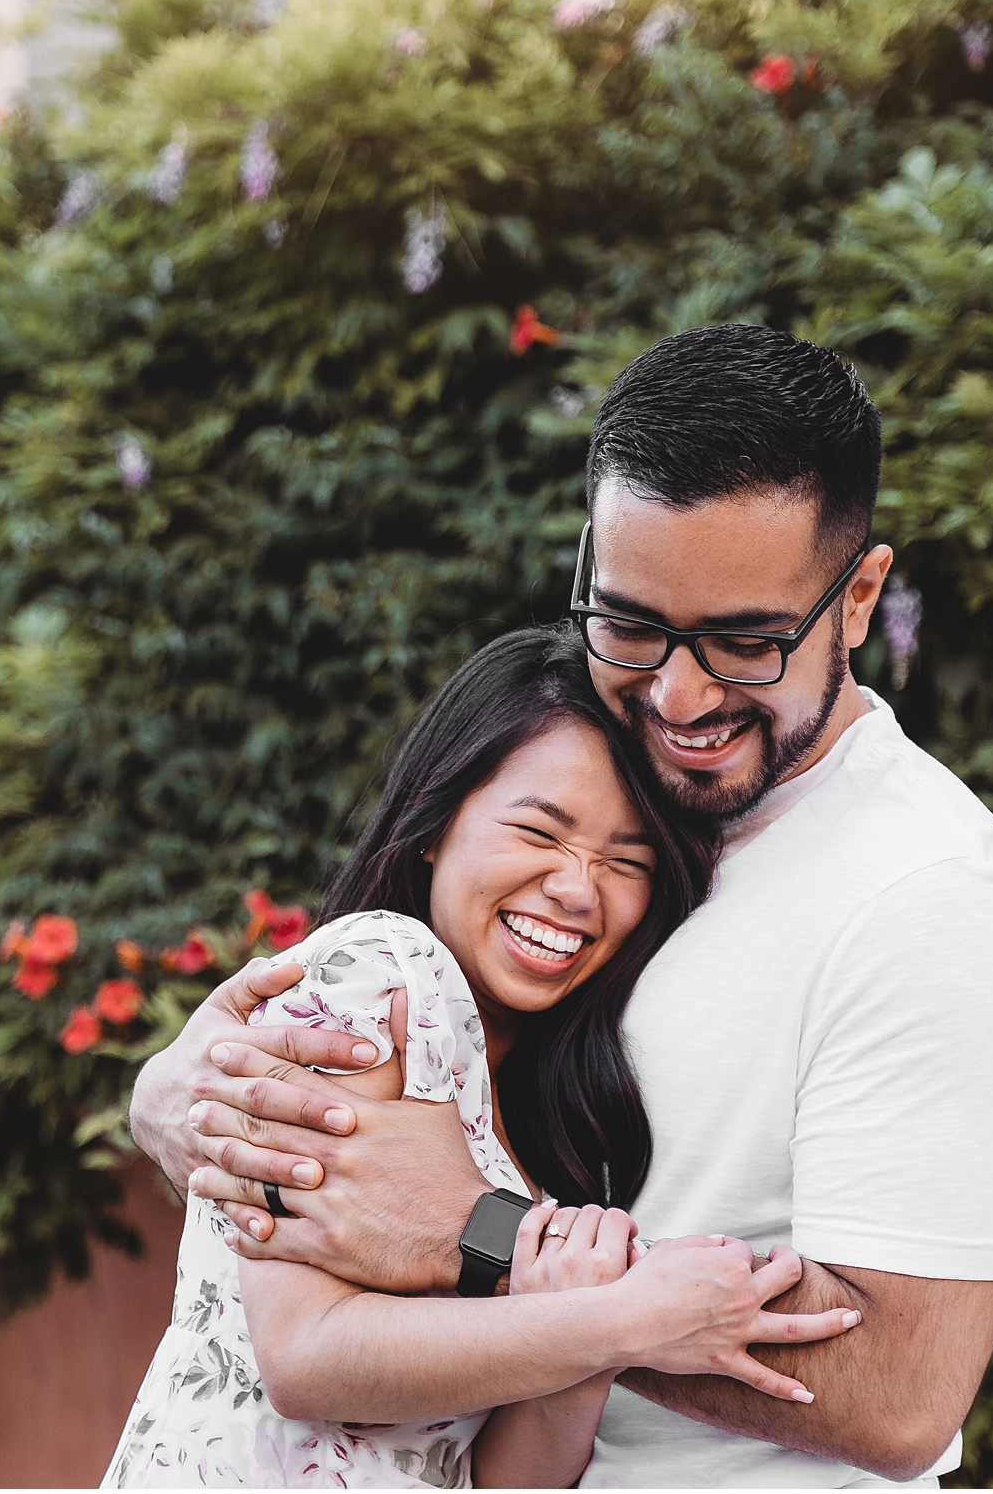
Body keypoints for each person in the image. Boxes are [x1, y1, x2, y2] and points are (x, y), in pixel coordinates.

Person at [132, 324, 993, 1487]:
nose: (679, 694)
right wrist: (174, 1100)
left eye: (745, 642)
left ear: (857, 600)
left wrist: (489, 1244)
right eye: (632, 623)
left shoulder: (934, 899)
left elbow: (900, 1397)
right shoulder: (612, 782)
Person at [105, 625, 861, 1488]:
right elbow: (304, 1355)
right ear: (436, 822)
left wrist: (581, 1353)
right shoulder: (375, 973)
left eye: (628, 860)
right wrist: (627, 1321)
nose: (578, 888)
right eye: (540, 832)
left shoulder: (557, 1117)